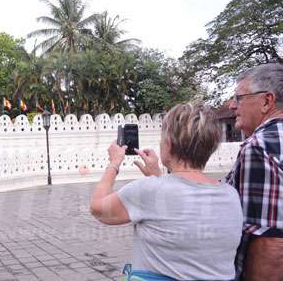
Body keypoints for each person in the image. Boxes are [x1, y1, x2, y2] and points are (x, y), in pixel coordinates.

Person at [90, 103, 243, 280]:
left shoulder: (150, 190)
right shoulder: (230, 195)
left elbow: (98, 208)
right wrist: (157, 176)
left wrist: (114, 163)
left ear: (168, 144)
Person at [225, 63, 283, 280]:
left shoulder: (260, 147)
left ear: (267, 101)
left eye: (239, 98)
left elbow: (270, 242)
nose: (232, 106)